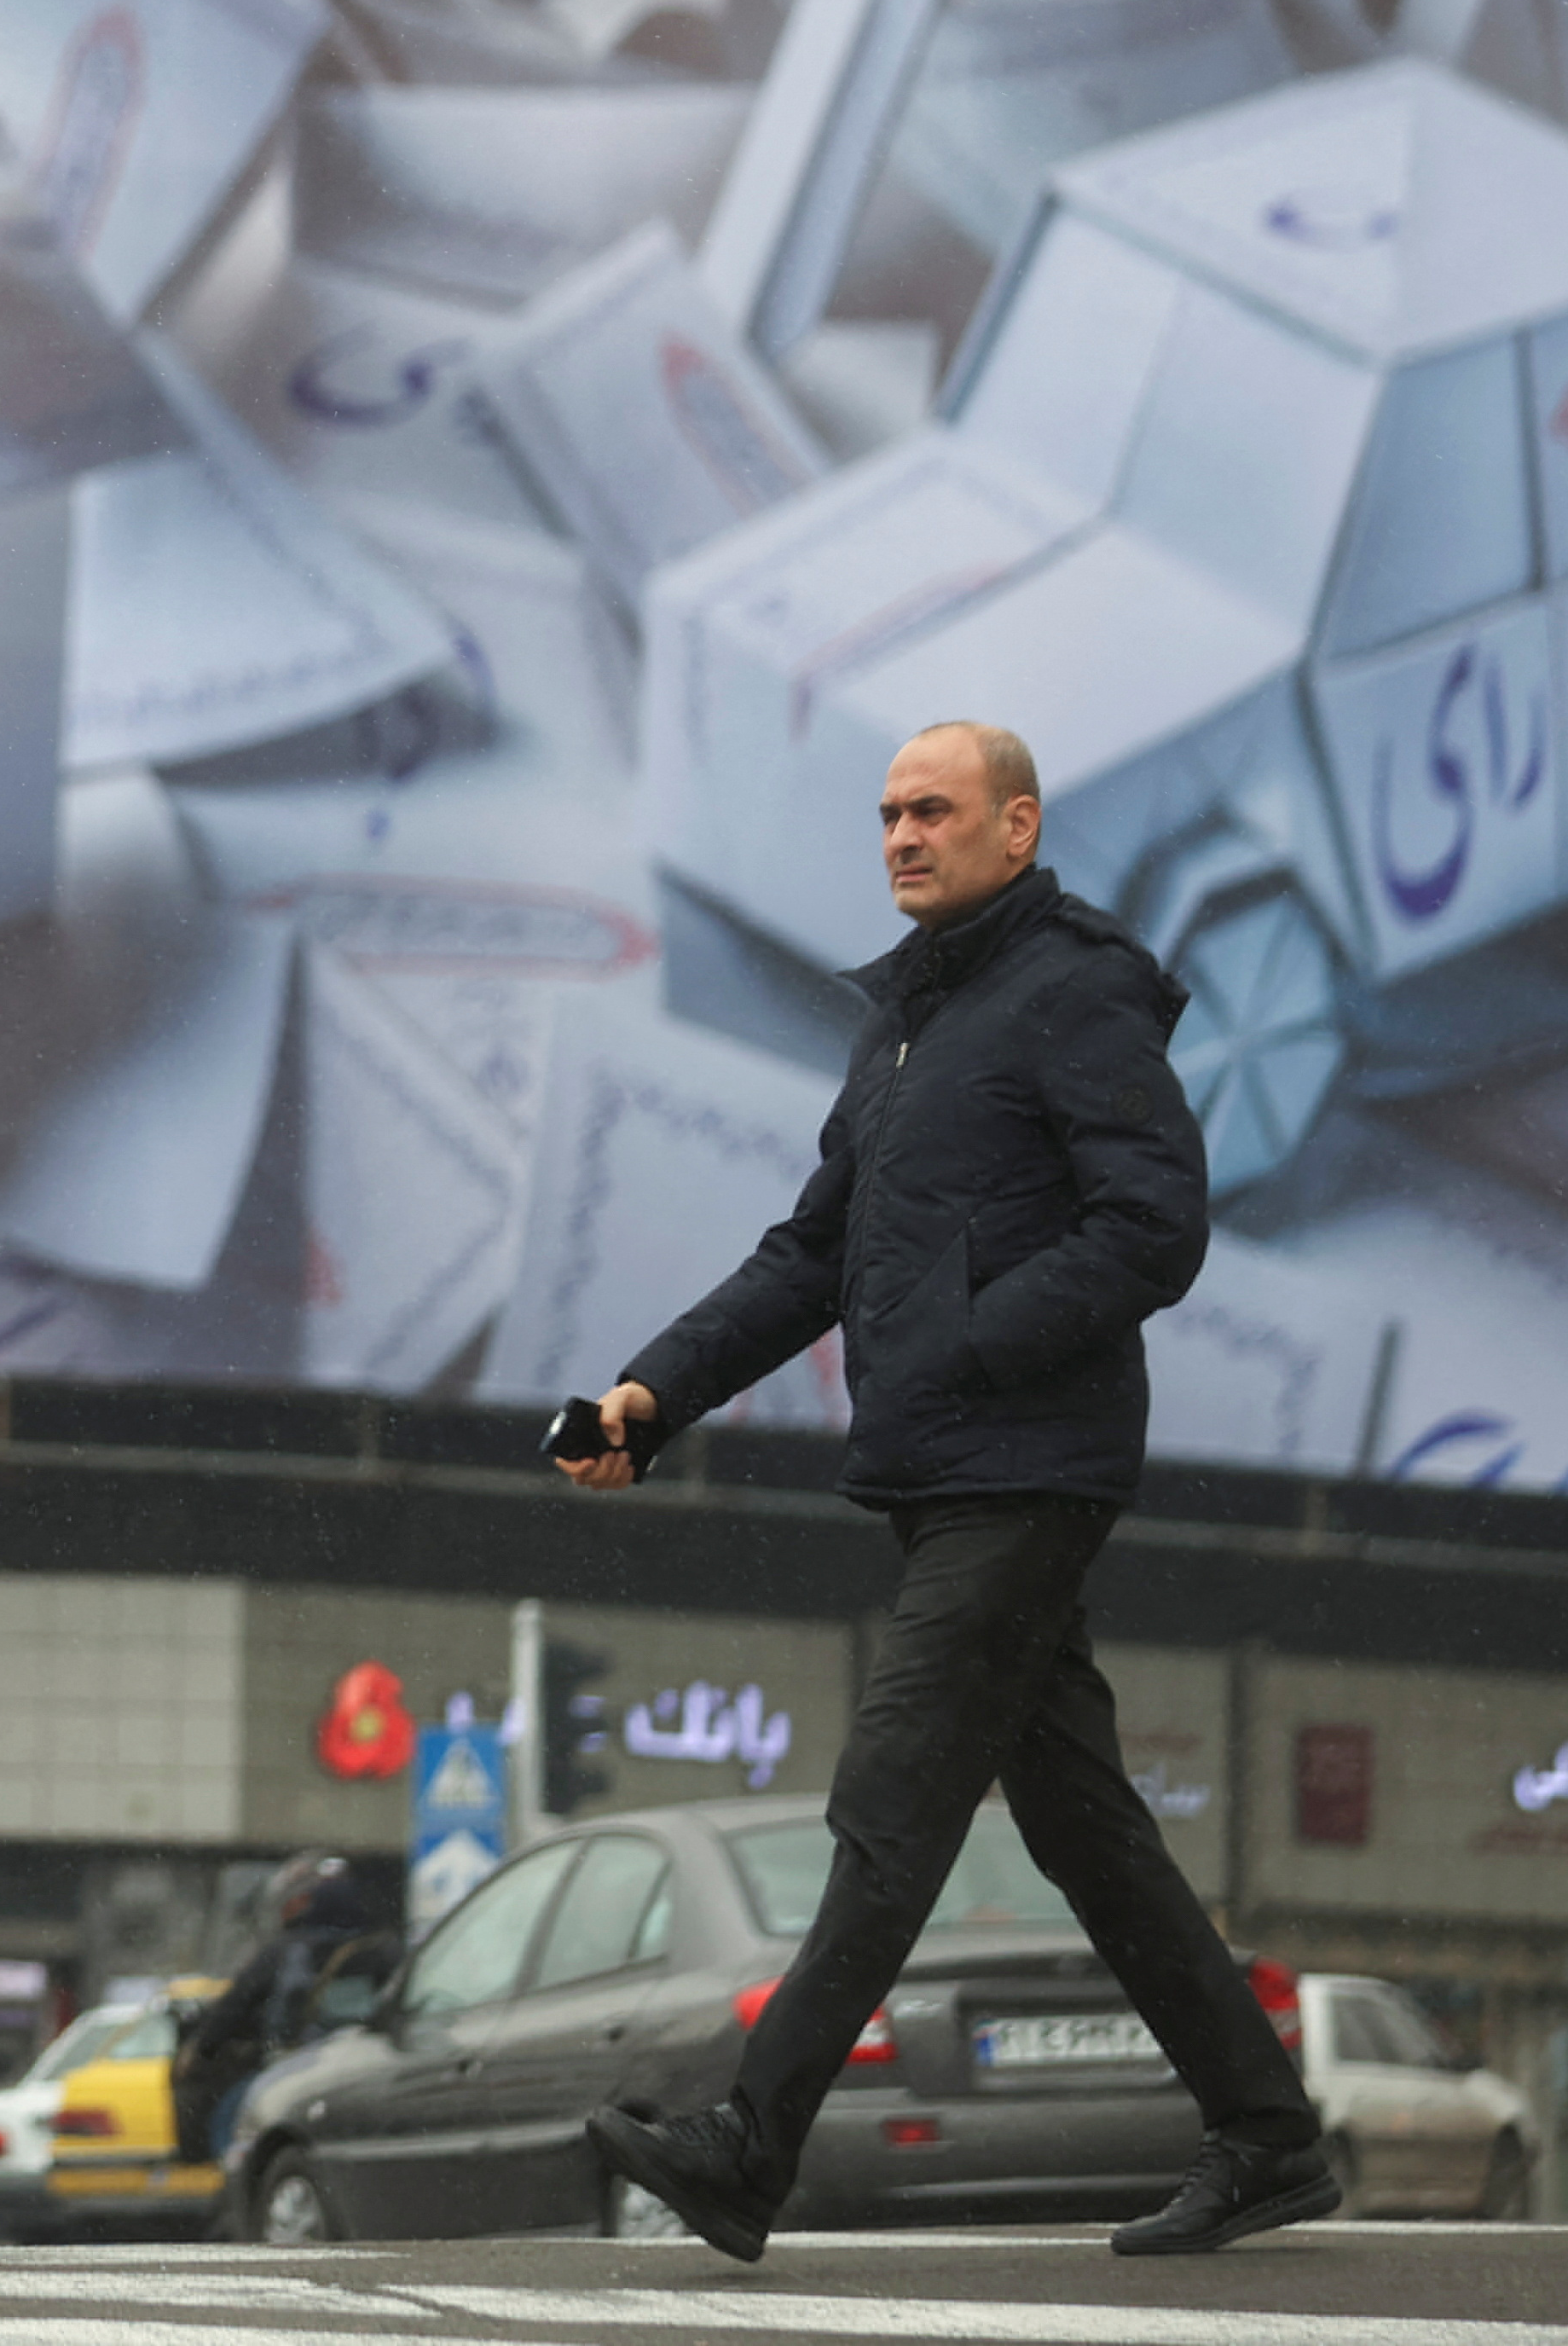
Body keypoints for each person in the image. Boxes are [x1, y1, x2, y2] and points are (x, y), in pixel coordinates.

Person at [557, 721, 1326, 2265]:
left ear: (1017, 828)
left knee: (894, 1792)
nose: (904, 833)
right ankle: (1270, 2130)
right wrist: (653, 1392)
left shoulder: (1077, 989)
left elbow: (1153, 1225)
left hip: (1028, 1466)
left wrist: (975, 1340)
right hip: (949, 1468)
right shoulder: (906, 1026)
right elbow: (810, 1257)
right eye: (890, 811)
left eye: (936, 809)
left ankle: (747, 2144)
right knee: (1085, 1825)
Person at [173, 1858, 367, 2163]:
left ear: (300, 1902)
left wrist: (200, 2048)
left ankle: (237, 2199)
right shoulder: (379, 1950)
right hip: (366, 2069)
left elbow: (233, 2007)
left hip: (296, 2066)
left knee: (232, 2126)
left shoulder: (284, 1952)